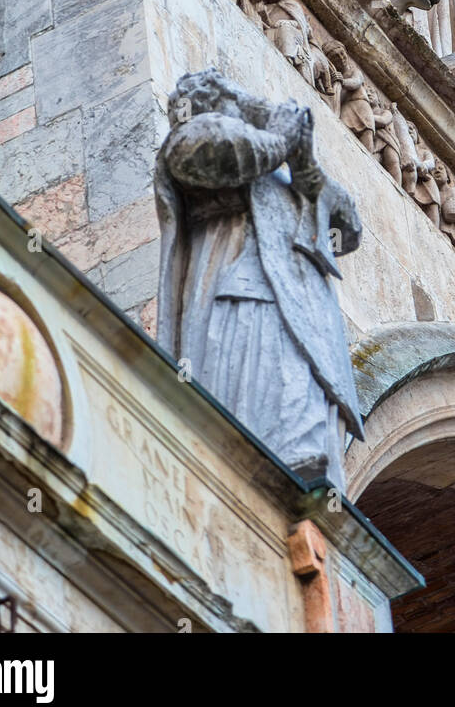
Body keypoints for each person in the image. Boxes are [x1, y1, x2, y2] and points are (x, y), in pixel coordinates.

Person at [154, 69, 363, 491]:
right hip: (243, 295)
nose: (245, 106)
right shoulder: (192, 136)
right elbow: (226, 153)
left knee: (303, 419)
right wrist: (283, 137)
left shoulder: (278, 173)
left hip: (305, 316)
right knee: (261, 413)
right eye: (235, 99)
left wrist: (304, 164)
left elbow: (349, 225)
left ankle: (308, 490)